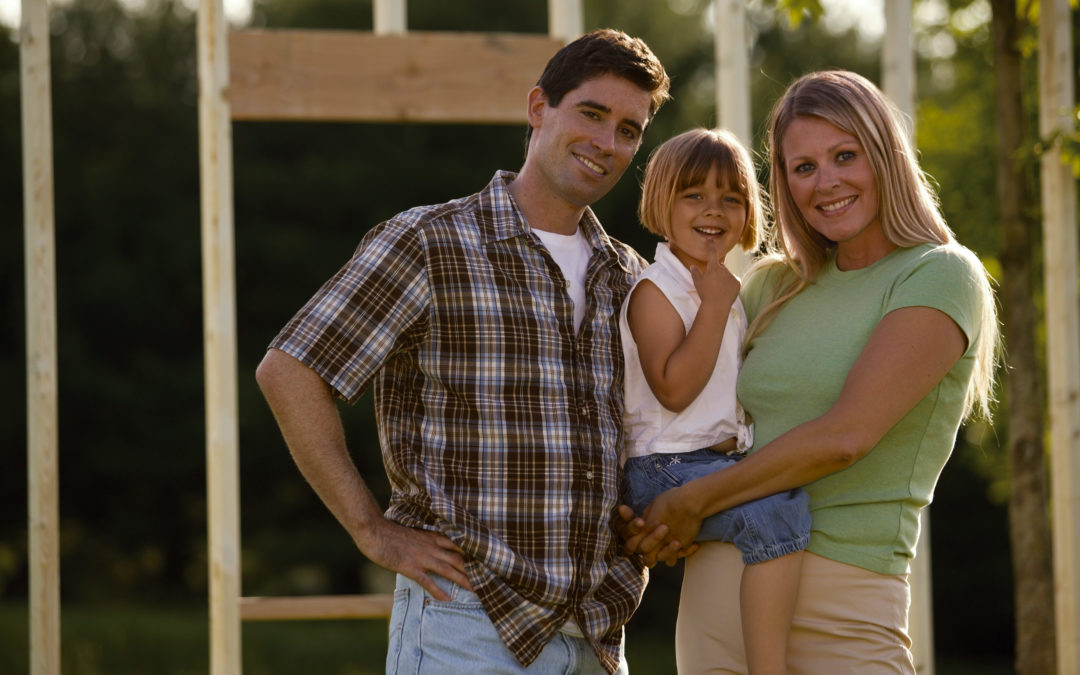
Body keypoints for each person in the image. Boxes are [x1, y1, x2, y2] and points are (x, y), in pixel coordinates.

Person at [254, 28, 670, 675]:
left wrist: (657, 515)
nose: (607, 142)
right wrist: (371, 528)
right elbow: (290, 368)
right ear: (539, 108)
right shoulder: (430, 241)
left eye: (628, 129)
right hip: (467, 625)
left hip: (598, 635)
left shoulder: (631, 276)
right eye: (591, 113)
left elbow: (652, 432)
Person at [622, 70, 1000, 674]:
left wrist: (691, 500)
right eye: (803, 168)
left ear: (885, 157)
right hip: (716, 594)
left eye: (845, 156)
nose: (827, 183)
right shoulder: (771, 284)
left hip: (846, 605)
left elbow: (844, 438)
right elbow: (689, 408)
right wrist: (655, 503)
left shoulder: (938, 274)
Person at [619, 127, 809, 675]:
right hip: (663, 465)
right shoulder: (656, 290)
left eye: (731, 198)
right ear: (662, 202)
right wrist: (713, 304)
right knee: (780, 511)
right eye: (694, 194)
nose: (714, 210)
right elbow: (674, 388)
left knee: (783, 503)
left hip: (708, 460)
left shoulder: (723, 287)